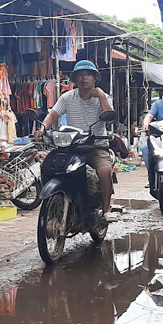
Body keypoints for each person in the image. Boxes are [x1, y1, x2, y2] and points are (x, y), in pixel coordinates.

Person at [37, 60, 117, 221]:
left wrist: (101, 96)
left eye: (88, 74)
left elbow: (110, 119)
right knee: (48, 166)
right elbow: (53, 115)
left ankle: (106, 209)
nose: (84, 78)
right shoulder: (67, 97)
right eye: (80, 75)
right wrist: (42, 129)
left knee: (104, 171)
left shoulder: (103, 97)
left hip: (96, 146)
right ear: (75, 79)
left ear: (95, 78)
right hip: (72, 147)